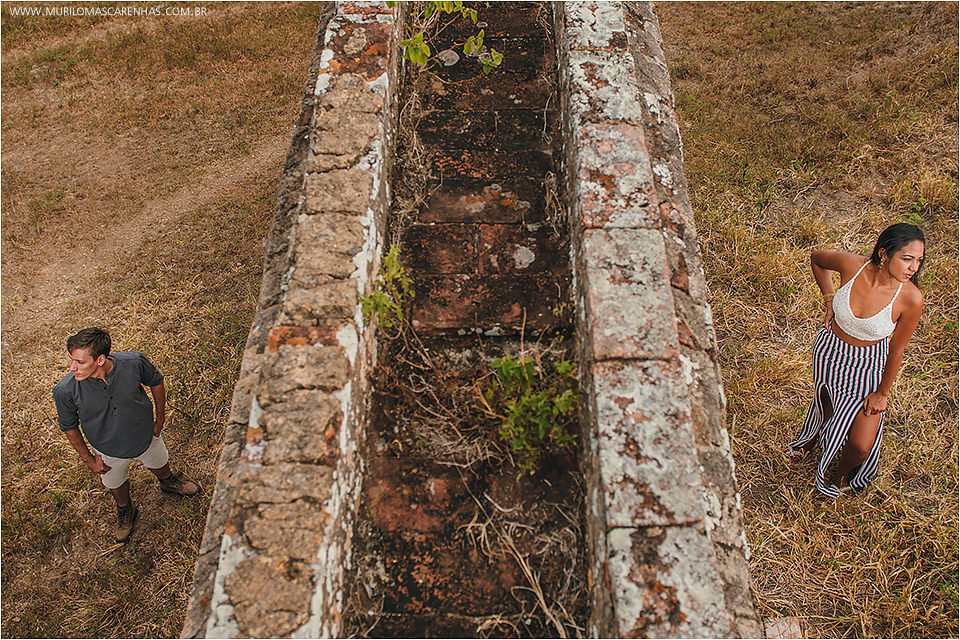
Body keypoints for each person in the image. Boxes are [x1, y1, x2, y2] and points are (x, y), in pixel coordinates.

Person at [788, 223, 925, 497]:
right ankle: (811, 439)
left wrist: (882, 393)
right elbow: (817, 259)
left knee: (861, 444)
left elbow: (896, 351)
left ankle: (839, 476)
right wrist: (829, 301)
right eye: (907, 259)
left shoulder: (910, 298)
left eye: (919, 261)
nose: (914, 268)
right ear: (884, 254)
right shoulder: (853, 266)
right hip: (829, 352)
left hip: (868, 366)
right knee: (826, 405)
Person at [53, 327, 200, 542]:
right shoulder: (65, 390)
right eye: (72, 360)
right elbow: (69, 426)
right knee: (115, 482)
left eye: (80, 362)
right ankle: (125, 509)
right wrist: (89, 459)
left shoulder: (133, 362)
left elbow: (156, 381)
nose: (72, 367)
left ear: (100, 359)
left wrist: (160, 418)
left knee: (159, 460)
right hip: (107, 448)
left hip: (145, 434)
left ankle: (168, 482)